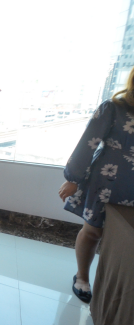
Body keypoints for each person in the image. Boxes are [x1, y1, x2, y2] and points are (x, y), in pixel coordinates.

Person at [59, 66, 134, 304]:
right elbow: (89, 142)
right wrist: (73, 178)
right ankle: (82, 276)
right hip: (107, 178)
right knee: (93, 231)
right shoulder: (114, 107)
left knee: (125, 238)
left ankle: (117, 286)